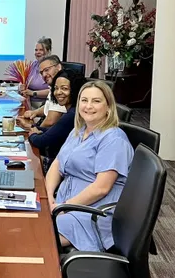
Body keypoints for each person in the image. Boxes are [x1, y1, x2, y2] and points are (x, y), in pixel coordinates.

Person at [45, 80, 134, 252]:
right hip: (65, 204)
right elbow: (57, 163)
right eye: (84, 100)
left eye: (96, 101)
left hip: (91, 213)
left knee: (38, 234)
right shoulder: (78, 130)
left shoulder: (114, 139)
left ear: (108, 107)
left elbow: (101, 188)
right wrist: (48, 196)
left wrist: (63, 207)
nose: (88, 106)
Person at [29, 69, 86, 162]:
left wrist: (32, 134)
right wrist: (32, 127)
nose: (58, 92)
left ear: (75, 90)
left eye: (64, 88)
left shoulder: (73, 114)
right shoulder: (73, 110)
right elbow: (55, 131)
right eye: (56, 88)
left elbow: (41, 142)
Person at [17, 55, 66, 130]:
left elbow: (50, 121)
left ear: (58, 67)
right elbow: (50, 105)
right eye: (41, 72)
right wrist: (35, 112)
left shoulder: (63, 87)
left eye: (46, 70)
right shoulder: (54, 86)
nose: (44, 75)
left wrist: (33, 129)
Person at [21, 37, 53, 105]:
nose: (37, 52)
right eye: (36, 50)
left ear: (48, 51)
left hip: (43, 105)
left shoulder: (52, 68)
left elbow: (53, 91)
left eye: (41, 50)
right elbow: (25, 81)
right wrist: (21, 87)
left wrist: (33, 93)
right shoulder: (33, 64)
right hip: (28, 102)